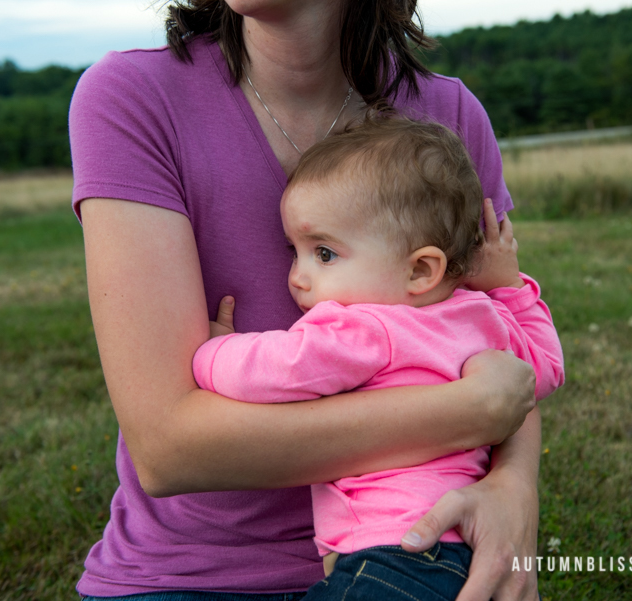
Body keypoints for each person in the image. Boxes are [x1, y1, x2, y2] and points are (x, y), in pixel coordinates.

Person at [70, 1, 546, 599]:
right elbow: (169, 450)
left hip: (418, 545)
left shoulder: (446, 118)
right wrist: (470, 411)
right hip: (192, 575)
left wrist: (515, 488)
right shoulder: (135, 98)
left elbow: (497, 339)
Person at [192, 115, 564, 601]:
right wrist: (510, 289)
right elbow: (543, 369)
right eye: (295, 250)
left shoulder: (362, 328)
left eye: (323, 253)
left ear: (420, 269)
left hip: (391, 553)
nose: (297, 277)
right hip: (464, 543)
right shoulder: (481, 315)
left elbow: (273, 369)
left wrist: (211, 350)